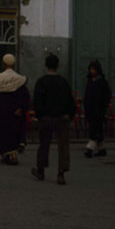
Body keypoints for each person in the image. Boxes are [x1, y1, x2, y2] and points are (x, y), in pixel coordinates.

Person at [32, 54, 76, 185]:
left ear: (46, 65)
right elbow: (70, 101)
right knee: (63, 146)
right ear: (58, 65)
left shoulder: (41, 82)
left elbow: (37, 102)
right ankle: (61, 173)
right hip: (62, 117)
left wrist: (40, 116)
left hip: (46, 118)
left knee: (44, 144)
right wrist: (70, 115)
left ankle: (41, 170)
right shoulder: (63, 82)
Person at [0, 54, 30, 165]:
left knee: (3, 133)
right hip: (15, 111)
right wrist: (20, 108)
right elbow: (24, 96)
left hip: (2, 111)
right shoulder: (19, 79)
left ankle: (7, 154)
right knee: (14, 132)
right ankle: (13, 154)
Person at [83, 59, 112, 158]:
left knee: (95, 129)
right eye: (91, 69)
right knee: (97, 128)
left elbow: (107, 95)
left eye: (93, 69)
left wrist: (104, 105)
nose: (92, 71)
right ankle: (101, 148)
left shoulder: (102, 82)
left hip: (99, 109)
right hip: (90, 109)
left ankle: (90, 148)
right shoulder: (90, 81)